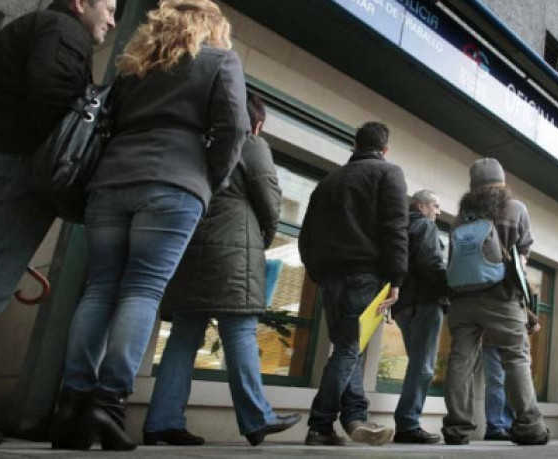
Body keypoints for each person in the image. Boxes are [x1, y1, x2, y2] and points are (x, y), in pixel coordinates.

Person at [51, 0, 249, 451]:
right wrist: (210, 180)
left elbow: (107, 123)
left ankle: (71, 403)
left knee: (99, 288)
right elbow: (234, 127)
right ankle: (109, 401)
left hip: (110, 182)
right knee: (143, 288)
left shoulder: (132, 67)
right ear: (211, 27)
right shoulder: (220, 60)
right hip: (175, 184)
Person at [0, 0, 116, 448]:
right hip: (13, 174)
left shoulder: (21, 34)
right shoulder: (62, 31)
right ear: (80, 4)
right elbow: (53, 99)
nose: (111, 19)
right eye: (107, 8)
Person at [142, 94, 301, 447]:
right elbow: (269, 198)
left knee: (183, 337)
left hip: (188, 246)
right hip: (233, 251)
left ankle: (161, 423)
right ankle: (257, 418)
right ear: (256, 122)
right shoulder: (250, 141)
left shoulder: (197, 142)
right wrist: (263, 238)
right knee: (240, 329)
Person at [298, 122, 407, 446]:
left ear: (354, 145)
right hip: (364, 276)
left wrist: (318, 273)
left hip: (330, 278)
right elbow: (395, 228)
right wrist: (397, 278)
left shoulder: (327, 183)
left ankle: (355, 416)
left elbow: (306, 235)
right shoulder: (389, 174)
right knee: (348, 348)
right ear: (384, 149)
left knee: (349, 348)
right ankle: (320, 425)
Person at [442, 158, 549, 446]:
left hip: (463, 299)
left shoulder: (461, 216)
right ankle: (528, 426)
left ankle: (456, 428)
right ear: (502, 183)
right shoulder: (516, 209)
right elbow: (523, 253)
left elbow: (452, 259)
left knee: (460, 361)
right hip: (501, 298)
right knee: (515, 357)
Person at [390, 190, 447, 444]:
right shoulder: (424, 225)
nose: (439, 211)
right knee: (423, 366)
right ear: (422, 205)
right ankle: (408, 424)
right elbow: (431, 263)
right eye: (435, 205)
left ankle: (407, 422)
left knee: (417, 364)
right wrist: (452, 288)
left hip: (402, 305)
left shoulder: (399, 225)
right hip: (424, 302)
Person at [483, 314, 542, 441]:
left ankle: (502, 425)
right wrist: (532, 322)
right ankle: (497, 427)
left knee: (500, 383)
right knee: (498, 383)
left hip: (497, 339)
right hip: (501, 340)